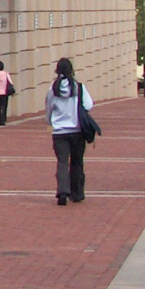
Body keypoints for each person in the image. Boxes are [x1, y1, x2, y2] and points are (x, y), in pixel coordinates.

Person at [48, 56, 96, 206]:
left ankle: (62, 191)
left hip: (59, 132)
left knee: (62, 162)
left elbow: (48, 109)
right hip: (76, 130)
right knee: (77, 161)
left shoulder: (53, 89)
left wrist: (51, 122)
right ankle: (77, 193)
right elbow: (88, 105)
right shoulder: (78, 87)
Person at [0, 60, 15, 126]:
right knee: (4, 106)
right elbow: (11, 82)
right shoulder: (6, 74)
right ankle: (3, 119)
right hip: (4, 92)